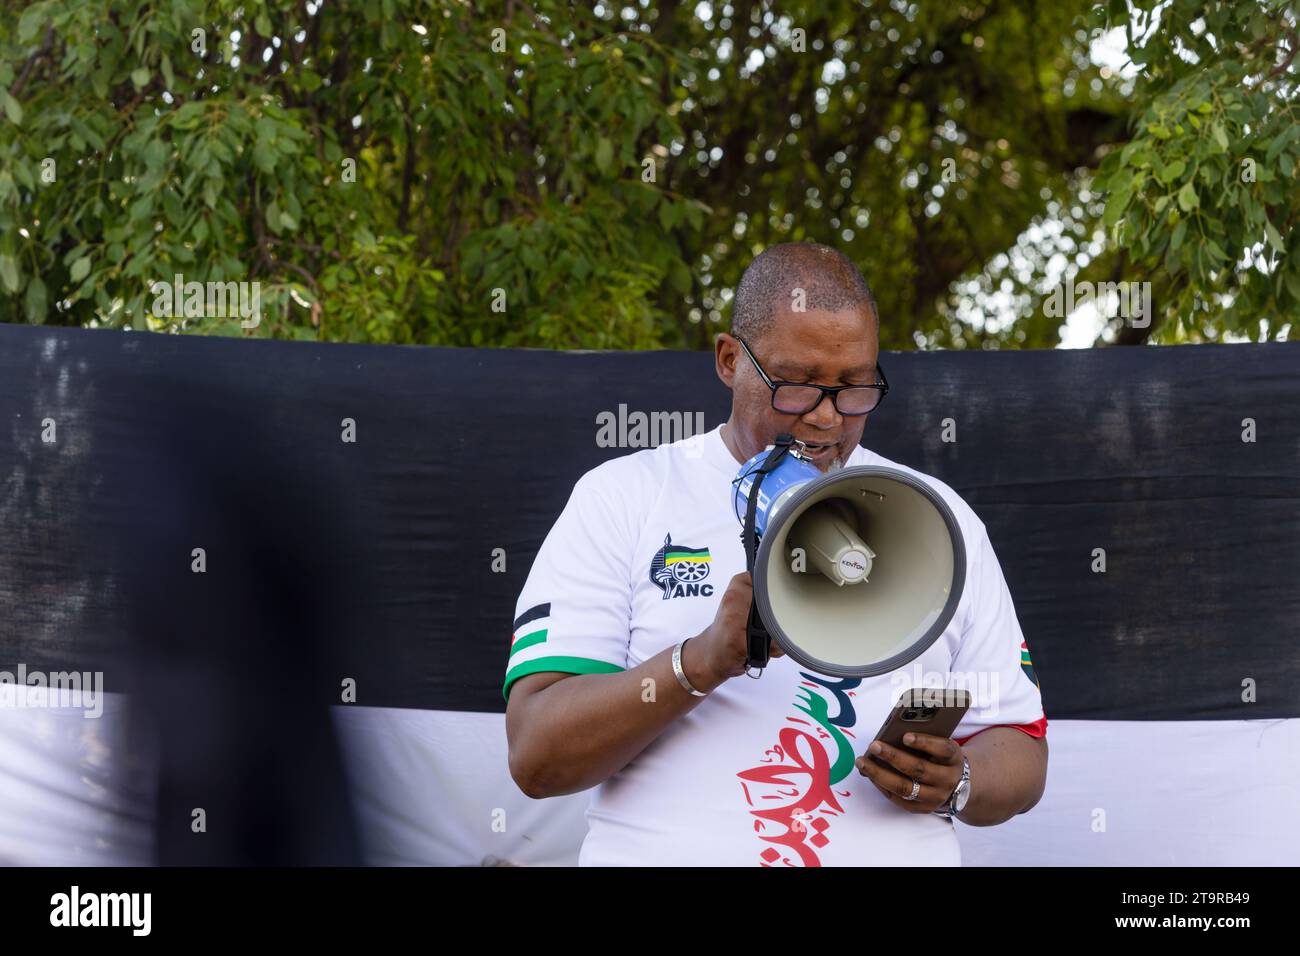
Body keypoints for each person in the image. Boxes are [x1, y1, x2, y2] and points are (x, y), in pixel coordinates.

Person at [504, 242, 1048, 866]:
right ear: (731, 360)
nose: (825, 419)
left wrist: (961, 780)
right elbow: (537, 756)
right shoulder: (624, 499)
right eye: (798, 386)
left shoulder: (937, 519)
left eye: (854, 388)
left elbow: (1021, 747)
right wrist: (698, 664)